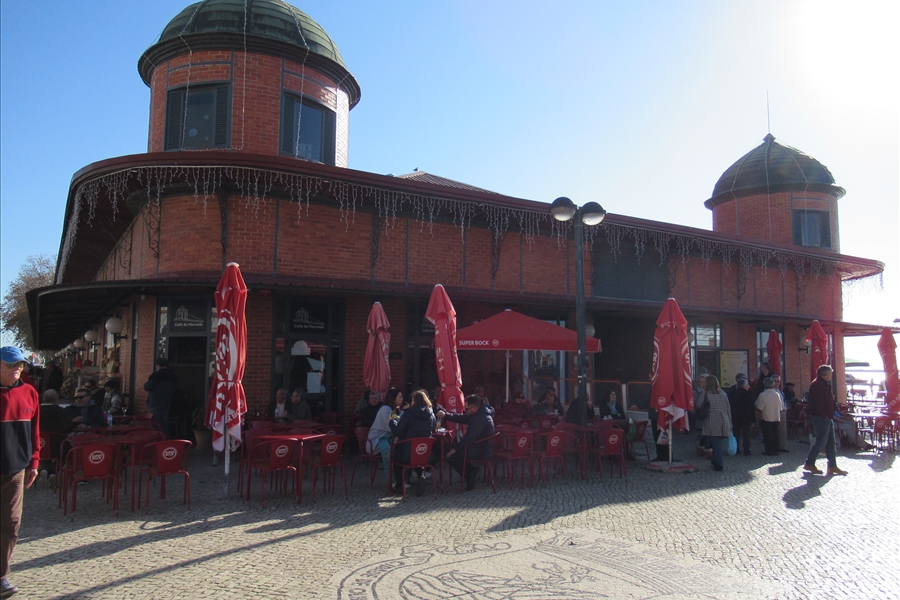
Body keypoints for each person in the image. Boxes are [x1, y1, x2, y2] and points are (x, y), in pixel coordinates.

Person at [1, 346, 41, 598]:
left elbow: (35, 430)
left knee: (11, 522)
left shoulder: (29, 392)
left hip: (15, 469)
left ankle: (1, 577)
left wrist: (34, 462)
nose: (16, 369)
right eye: (10, 364)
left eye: (20, 365)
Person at [438, 395, 495, 491]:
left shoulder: (480, 418)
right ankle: (471, 472)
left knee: (451, 456)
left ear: (474, 408)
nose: (465, 410)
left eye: (466, 409)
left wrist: (455, 448)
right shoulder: (478, 413)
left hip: (480, 449)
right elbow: (461, 418)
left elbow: (469, 438)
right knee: (449, 451)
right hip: (479, 446)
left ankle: (471, 473)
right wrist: (446, 415)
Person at [389, 389, 437, 496]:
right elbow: (433, 430)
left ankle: (400, 485)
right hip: (425, 453)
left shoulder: (408, 413)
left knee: (396, 457)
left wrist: (392, 421)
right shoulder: (431, 414)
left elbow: (398, 431)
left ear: (414, 401)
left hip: (407, 453)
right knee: (418, 457)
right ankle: (421, 476)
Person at [804, 365, 848, 476]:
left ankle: (832, 466)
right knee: (821, 441)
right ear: (824, 374)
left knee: (831, 442)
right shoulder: (817, 385)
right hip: (821, 417)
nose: (831, 375)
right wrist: (824, 415)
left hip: (827, 416)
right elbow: (819, 403)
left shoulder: (823, 384)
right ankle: (809, 462)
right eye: (830, 373)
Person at [701, 375, 732, 471]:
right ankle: (714, 460)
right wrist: (730, 422)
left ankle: (719, 464)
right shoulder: (723, 394)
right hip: (724, 419)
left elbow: (699, 404)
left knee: (715, 443)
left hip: (712, 419)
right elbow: (728, 409)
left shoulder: (706, 394)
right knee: (716, 442)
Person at [144, 357, 177, 438]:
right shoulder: (172, 376)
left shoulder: (155, 375)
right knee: (165, 422)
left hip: (155, 402)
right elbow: (174, 389)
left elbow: (147, 387)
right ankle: (166, 439)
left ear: (158, 365)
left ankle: (158, 440)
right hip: (167, 402)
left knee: (156, 423)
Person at [367, 392, 395, 472]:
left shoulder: (392, 410)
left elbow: (396, 419)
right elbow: (392, 427)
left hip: (383, 438)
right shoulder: (385, 409)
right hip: (375, 443)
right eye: (400, 397)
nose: (402, 399)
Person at [755, 377, 782, 456]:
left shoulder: (763, 394)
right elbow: (780, 407)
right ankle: (776, 450)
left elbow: (759, 406)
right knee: (775, 434)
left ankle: (769, 450)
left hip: (766, 417)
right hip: (776, 416)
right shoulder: (777, 394)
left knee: (767, 435)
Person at [730, 379, 755, 455]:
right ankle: (746, 449)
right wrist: (753, 420)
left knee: (736, 434)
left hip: (736, 417)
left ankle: (736, 449)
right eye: (747, 385)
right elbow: (751, 408)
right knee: (746, 434)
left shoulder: (735, 394)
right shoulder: (748, 395)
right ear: (745, 386)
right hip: (746, 418)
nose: (749, 387)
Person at [693, 374, 711, 457]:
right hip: (702, 416)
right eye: (701, 382)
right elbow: (697, 405)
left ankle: (700, 447)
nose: (703, 384)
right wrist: (702, 395)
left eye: (704, 382)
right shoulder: (696, 392)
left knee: (706, 434)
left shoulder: (711, 390)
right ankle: (708, 450)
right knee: (705, 434)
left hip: (710, 415)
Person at [771, 375, 789, 453]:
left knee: (783, 430)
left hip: (782, 412)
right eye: (774, 381)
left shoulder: (780, 390)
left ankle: (782, 446)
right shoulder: (770, 391)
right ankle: (775, 446)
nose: (776, 383)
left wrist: (785, 409)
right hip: (774, 412)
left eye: (778, 381)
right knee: (774, 430)